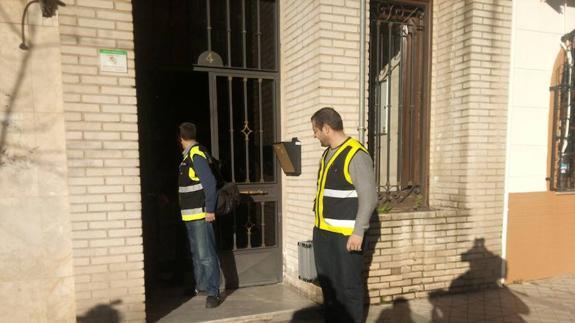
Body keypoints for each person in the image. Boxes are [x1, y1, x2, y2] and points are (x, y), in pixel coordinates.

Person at [311, 107, 378, 323]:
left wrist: (358, 232)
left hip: (346, 237)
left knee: (348, 287)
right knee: (329, 287)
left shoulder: (356, 154)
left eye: (315, 130)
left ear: (326, 128)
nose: (314, 135)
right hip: (323, 234)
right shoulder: (327, 153)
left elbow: (369, 198)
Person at [178, 122, 222, 308]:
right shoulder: (189, 156)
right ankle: (201, 286)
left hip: (200, 215)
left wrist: (210, 210)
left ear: (180, 139)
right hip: (190, 216)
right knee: (197, 254)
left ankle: (213, 292)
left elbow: (210, 184)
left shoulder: (196, 155)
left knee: (206, 255)